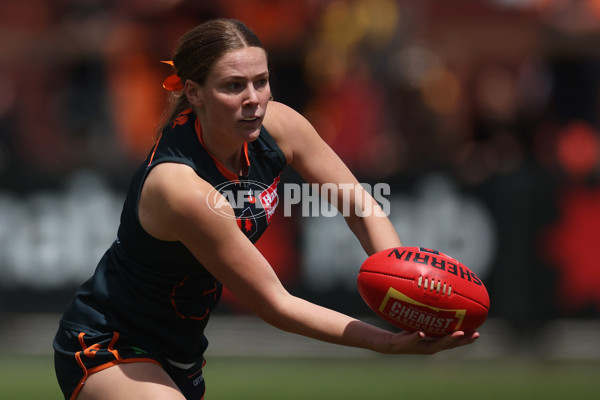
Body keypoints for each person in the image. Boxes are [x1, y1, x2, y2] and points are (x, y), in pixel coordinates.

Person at [53, 18, 479, 400]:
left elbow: (360, 204)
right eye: (234, 85)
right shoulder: (180, 186)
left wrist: (397, 287)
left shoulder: (279, 125)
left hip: (180, 352)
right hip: (108, 342)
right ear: (194, 93)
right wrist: (385, 342)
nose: (254, 98)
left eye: (261, 81)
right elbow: (276, 303)